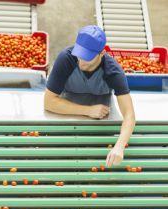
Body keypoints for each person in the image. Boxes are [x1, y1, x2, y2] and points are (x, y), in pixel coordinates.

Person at [44, 25, 135, 167]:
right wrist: (88, 110)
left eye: (87, 56)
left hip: (101, 122)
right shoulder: (66, 59)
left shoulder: (113, 72)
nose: (81, 61)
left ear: (102, 53)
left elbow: (129, 115)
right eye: (79, 54)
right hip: (64, 115)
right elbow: (49, 102)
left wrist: (119, 146)